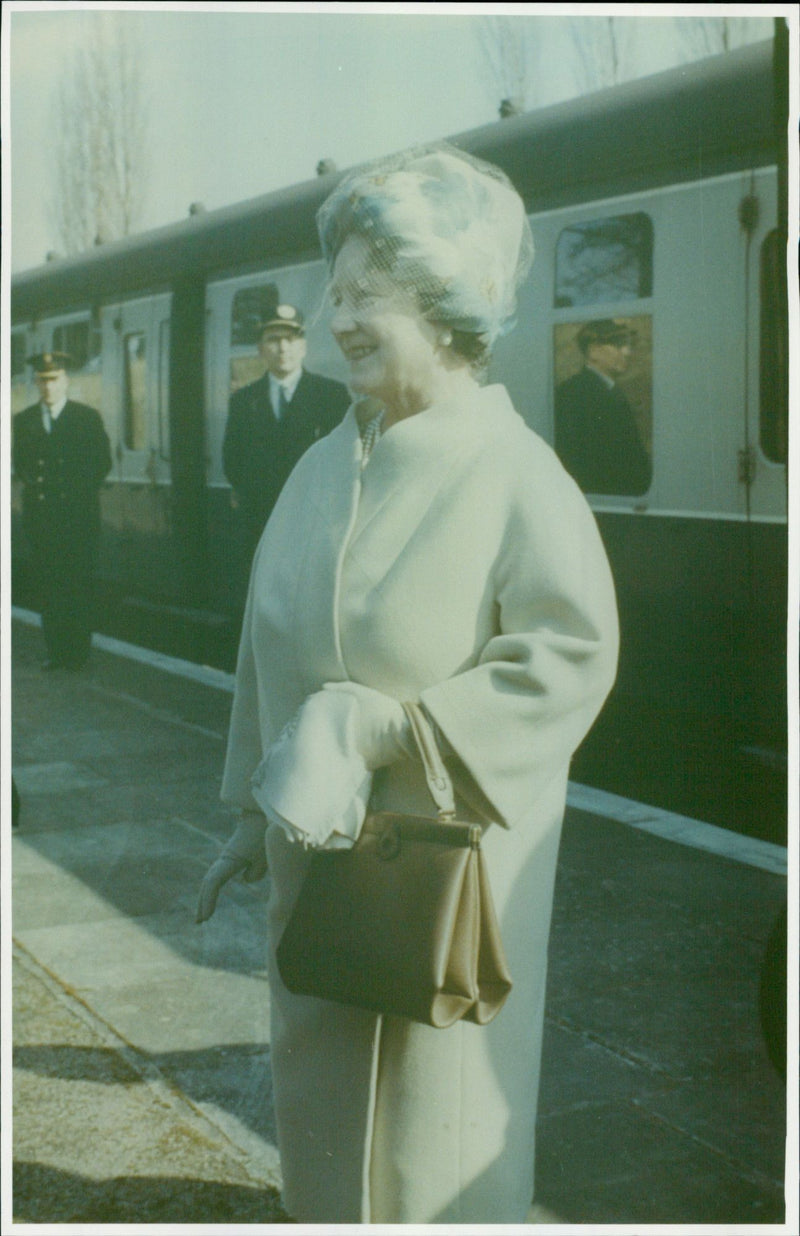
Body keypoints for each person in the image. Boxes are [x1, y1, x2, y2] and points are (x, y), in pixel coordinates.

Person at [197, 146, 619, 1224]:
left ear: (442, 306)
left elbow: (569, 655)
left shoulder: (513, 471)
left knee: (432, 1139)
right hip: (316, 870)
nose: (338, 318)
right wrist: (249, 814)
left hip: (443, 883)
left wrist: (398, 728)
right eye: (334, 293)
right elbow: (263, 640)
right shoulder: (316, 463)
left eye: (366, 296)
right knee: (323, 1107)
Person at [222, 304, 350, 568]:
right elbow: (232, 459)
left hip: (316, 520)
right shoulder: (244, 401)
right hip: (262, 522)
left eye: (290, 339)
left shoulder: (331, 396)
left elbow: (345, 458)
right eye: (273, 340)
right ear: (260, 350)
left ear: (303, 347)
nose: (282, 348)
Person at [12, 352, 112, 671]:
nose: (48, 387)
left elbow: (101, 463)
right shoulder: (24, 420)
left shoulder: (86, 418)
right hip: (42, 521)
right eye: (42, 380)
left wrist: (73, 495)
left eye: (54, 379)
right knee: (49, 588)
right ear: (36, 383)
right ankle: (56, 654)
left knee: (78, 587)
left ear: (66, 380)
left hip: (77, 520)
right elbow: (22, 465)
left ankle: (77, 655)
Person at [554, 318, 652, 495]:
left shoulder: (611, 391)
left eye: (628, 345)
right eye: (617, 345)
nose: (627, 352)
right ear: (594, 351)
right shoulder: (573, 393)